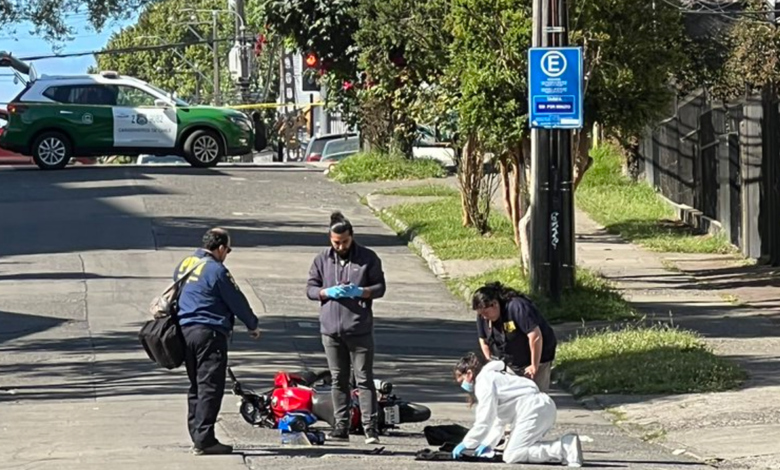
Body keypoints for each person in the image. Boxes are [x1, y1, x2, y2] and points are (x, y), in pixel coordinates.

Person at [175, 227, 262, 456]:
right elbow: (236, 300)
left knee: (196, 385)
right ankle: (205, 440)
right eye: (228, 250)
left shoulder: (185, 264)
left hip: (185, 332)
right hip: (209, 333)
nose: (227, 254)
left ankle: (197, 435)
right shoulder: (216, 270)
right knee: (211, 386)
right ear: (221, 248)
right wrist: (252, 324)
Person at [306, 211, 386, 444]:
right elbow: (311, 288)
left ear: (352, 237)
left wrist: (362, 292)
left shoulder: (367, 258)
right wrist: (325, 292)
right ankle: (341, 425)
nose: (340, 246)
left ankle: (370, 427)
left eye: (345, 242)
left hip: (359, 328)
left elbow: (380, 287)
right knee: (338, 378)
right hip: (331, 330)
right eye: (336, 242)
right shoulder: (322, 259)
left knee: (363, 378)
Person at [452, 353, 583, 466]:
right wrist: (487, 444)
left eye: (461, 380)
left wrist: (467, 443)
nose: (463, 385)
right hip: (543, 407)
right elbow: (498, 421)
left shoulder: (483, 382)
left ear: (469, 374)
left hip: (532, 410)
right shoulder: (496, 376)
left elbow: (485, 419)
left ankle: (563, 447)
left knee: (513, 455)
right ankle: (566, 451)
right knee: (522, 448)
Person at [472, 282, 557, 391]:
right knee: (512, 395)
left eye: (485, 313)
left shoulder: (516, 307)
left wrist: (534, 365)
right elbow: (483, 340)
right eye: (480, 314)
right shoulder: (483, 316)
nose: (484, 317)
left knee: (534, 394)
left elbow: (535, 336)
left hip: (538, 356)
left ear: (495, 304)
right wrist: (490, 362)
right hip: (511, 360)